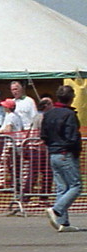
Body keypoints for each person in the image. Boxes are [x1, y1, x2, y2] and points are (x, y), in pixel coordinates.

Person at [40, 85, 81, 231]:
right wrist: (74, 150)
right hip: (65, 153)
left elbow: (43, 135)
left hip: (53, 153)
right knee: (76, 186)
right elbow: (72, 137)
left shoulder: (48, 114)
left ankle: (63, 223)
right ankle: (57, 210)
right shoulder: (69, 114)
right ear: (71, 98)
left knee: (62, 187)